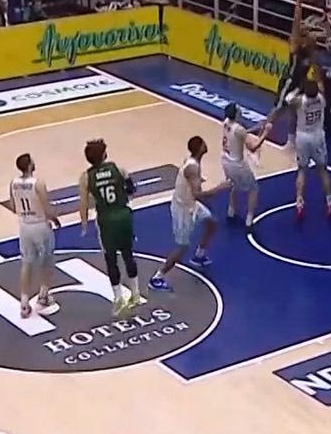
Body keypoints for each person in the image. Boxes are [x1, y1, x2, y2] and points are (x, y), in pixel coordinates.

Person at [150, 136, 229, 291]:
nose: (206, 144)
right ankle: (157, 277)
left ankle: (199, 255)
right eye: (203, 143)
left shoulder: (193, 162)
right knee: (183, 246)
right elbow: (197, 194)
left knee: (211, 223)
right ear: (200, 148)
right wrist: (219, 188)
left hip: (190, 204)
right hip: (183, 209)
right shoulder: (192, 168)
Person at [78, 138, 145, 317]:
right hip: (123, 215)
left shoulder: (85, 177)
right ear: (104, 154)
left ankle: (118, 299)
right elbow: (131, 189)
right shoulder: (119, 169)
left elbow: (83, 204)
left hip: (106, 220)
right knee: (128, 254)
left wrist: (84, 224)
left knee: (111, 259)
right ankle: (136, 294)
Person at [267, 0, 319, 150]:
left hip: (300, 84)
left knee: (295, 112)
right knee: (278, 109)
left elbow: (315, 66)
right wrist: (298, 2)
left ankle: (290, 142)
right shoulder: (296, 45)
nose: (306, 31)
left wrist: (319, 82)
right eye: (304, 30)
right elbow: (296, 24)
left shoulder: (311, 48)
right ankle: (261, 135)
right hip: (289, 81)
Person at [9, 153, 60, 319]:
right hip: (39, 225)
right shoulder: (38, 183)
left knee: (26, 263)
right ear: (30, 165)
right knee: (47, 260)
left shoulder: (13, 183)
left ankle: (24, 303)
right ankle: (43, 295)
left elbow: (13, 206)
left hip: (24, 226)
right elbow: (46, 207)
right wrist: (54, 219)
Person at [288, 76, 331, 220]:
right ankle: (330, 202)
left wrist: (297, 89)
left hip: (303, 137)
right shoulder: (322, 99)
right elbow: (320, 87)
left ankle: (299, 203)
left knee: (302, 170)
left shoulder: (300, 101)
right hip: (318, 136)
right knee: (322, 170)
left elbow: (288, 99)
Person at [220, 103, 270, 228]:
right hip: (237, 164)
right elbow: (253, 147)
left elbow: (239, 134)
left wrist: (256, 128)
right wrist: (265, 133)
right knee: (253, 188)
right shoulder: (239, 130)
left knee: (234, 184)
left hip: (225, 160)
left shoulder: (226, 122)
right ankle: (249, 218)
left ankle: (231, 210)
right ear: (236, 113)